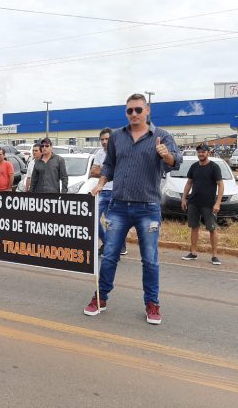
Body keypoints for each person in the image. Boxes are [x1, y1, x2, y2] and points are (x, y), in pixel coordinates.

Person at [85, 93, 182, 325]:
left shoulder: (161, 136)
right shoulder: (117, 136)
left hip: (148, 208)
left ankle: (152, 303)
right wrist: (100, 183)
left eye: (138, 109)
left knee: (150, 259)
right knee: (110, 255)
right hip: (118, 206)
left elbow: (176, 162)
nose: (134, 114)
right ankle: (100, 297)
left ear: (147, 110)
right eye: (130, 110)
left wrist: (166, 155)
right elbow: (109, 165)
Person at [181, 143, 224, 265]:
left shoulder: (214, 167)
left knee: (212, 229)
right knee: (194, 228)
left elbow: (221, 185)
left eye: (203, 152)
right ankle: (193, 253)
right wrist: (184, 198)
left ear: (208, 153)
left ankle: (214, 256)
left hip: (209, 204)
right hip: (194, 202)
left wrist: (218, 203)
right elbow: (189, 183)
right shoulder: (194, 166)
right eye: (199, 152)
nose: (200, 154)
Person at [90, 128, 127, 256]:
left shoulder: (119, 152)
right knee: (92, 218)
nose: (104, 142)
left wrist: (104, 171)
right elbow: (93, 172)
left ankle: (120, 246)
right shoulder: (99, 153)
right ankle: (107, 243)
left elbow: (121, 172)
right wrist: (109, 171)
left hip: (116, 192)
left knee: (113, 222)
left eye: (107, 139)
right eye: (102, 139)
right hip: (102, 191)